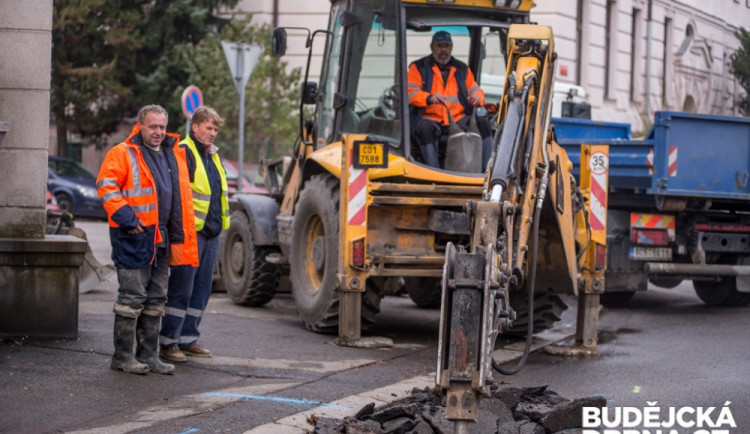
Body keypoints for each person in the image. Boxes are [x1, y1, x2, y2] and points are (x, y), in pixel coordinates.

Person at [97, 104, 199, 375]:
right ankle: (122, 356)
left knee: (156, 299)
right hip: (133, 235)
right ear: (139, 125)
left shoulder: (171, 153)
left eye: (162, 127)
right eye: (153, 126)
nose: (158, 132)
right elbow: (106, 187)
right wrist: (129, 220)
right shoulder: (123, 152)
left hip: (162, 237)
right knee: (131, 298)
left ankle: (149, 355)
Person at [159, 106, 230, 363]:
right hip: (191, 233)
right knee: (182, 288)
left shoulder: (212, 155)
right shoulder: (185, 152)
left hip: (211, 233)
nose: (212, 133)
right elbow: (179, 195)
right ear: (195, 127)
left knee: (201, 290)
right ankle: (168, 342)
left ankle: (188, 339)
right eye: (208, 127)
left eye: (215, 129)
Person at [408, 30, 492, 169]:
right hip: (429, 118)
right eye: (439, 45)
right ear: (432, 46)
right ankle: (433, 171)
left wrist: (478, 97)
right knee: (425, 129)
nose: (443, 50)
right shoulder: (418, 67)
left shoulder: (462, 69)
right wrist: (428, 98)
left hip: (457, 119)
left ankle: (487, 171)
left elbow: (475, 89)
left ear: (451, 47)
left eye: (446, 46)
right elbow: (410, 92)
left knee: (483, 124)